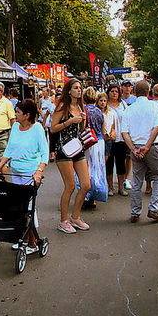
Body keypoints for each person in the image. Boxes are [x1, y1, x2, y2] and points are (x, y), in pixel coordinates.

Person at [0, 99, 49, 253]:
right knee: (17, 206)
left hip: (31, 174)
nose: (15, 114)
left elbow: (44, 154)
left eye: (18, 112)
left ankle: (32, 242)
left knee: (28, 208)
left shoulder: (37, 128)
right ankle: (21, 237)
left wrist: (39, 172)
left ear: (27, 115)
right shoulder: (16, 127)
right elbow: (9, 150)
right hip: (16, 172)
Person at [121, 80, 158, 223]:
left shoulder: (129, 109)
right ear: (149, 92)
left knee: (137, 179)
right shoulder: (153, 106)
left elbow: (124, 133)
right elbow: (157, 127)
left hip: (135, 146)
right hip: (152, 146)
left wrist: (133, 148)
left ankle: (135, 211)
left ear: (134, 91)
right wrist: (147, 146)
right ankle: (153, 208)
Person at [51, 78, 91, 234]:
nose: (79, 90)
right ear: (69, 91)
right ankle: (63, 221)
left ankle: (76, 216)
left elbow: (81, 129)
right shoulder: (62, 107)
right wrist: (70, 121)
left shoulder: (80, 106)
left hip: (77, 147)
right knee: (70, 186)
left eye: (80, 87)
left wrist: (82, 120)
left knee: (86, 184)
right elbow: (53, 128)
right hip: (63, 149)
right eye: (76, 88)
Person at [82, 87, 106, 210]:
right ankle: (95, 195)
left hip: (87, 141)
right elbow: (103, 130)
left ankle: (86, 195)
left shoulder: (83, 110)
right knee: (98, 169)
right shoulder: (99, 111)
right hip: (99, 141)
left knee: (86, 169)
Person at [105, 85, 129, 196]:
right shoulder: (105, 105)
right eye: (112, 91)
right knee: (109, 164)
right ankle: (110, 187)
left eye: (116, 91)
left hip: (121, 138)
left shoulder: (123, 105)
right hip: (108, 139)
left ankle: (121, 187)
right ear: (108, 92)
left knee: (121, 163)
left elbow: (128, 119)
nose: (114, 93)